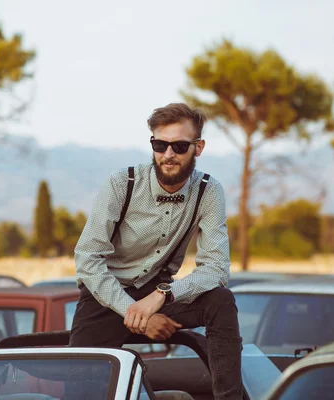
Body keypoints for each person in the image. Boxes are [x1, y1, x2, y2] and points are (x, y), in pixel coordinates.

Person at [70, 103, 243, 399]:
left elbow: (216, 268)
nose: (168, 154)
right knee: (80, 387)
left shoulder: (208, 191)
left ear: (198, 147)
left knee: (221, 301)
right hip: (106, 296)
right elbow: (87, 259)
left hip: (158, 293)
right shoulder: (121, 184)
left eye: (179, 146)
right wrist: (138, 315)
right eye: (160, 144)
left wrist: (161, 296)